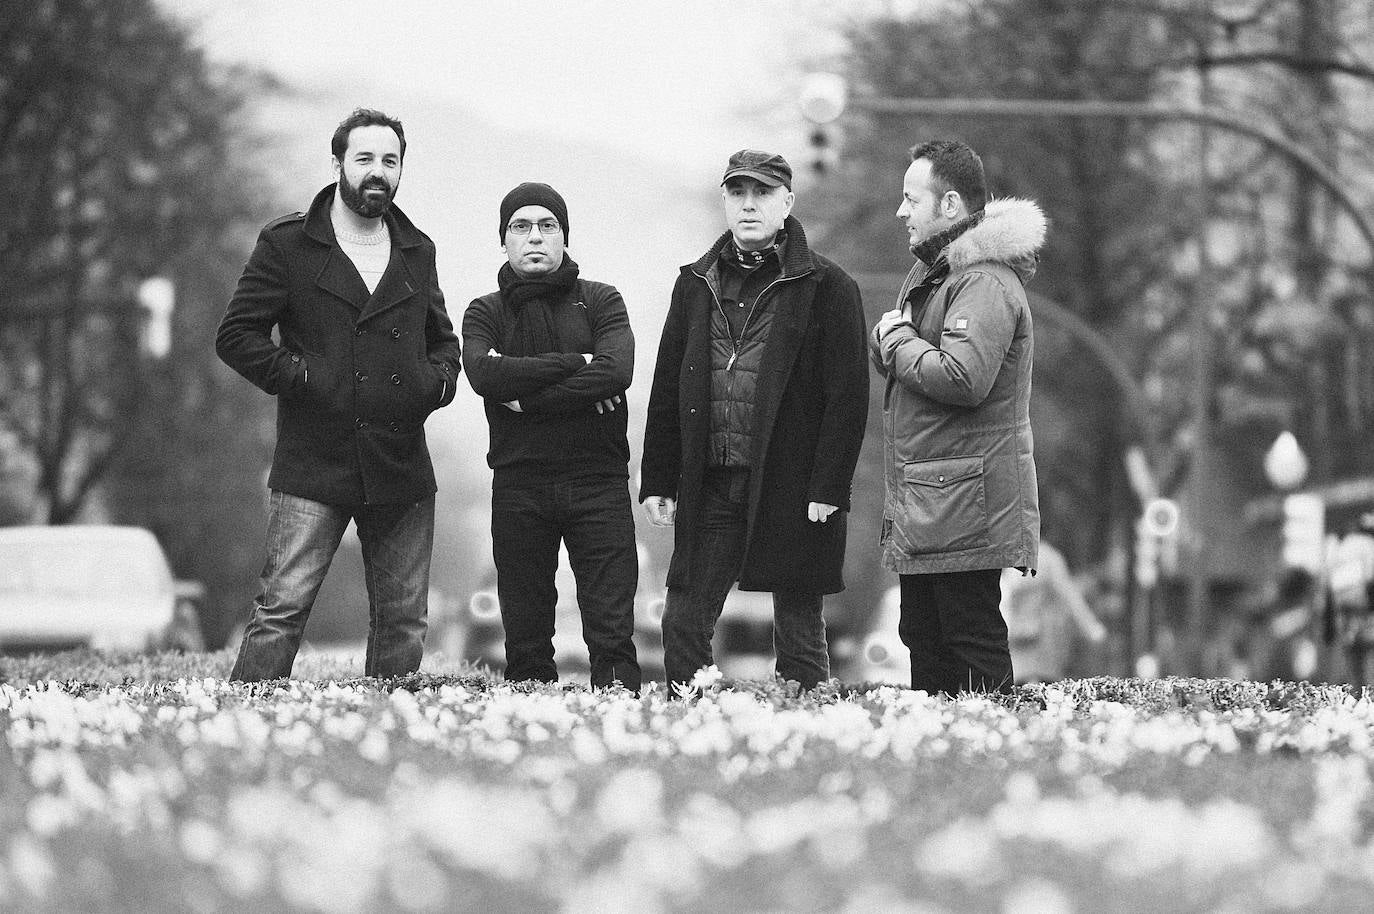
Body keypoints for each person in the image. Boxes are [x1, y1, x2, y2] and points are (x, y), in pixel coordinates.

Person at [216, 108, 461, 681]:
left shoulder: (417, 250)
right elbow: (237, 336)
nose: (378, 171)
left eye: (390, 161)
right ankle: (241, 721)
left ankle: (387, 725)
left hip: (399, 459)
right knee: (281, 610)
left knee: (404, 621)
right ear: (338, 164)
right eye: (365, 158)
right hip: (314, 456)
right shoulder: (288, 243)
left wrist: (434, 385)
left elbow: (443, 343)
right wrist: (305, 378)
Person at [640, 149, 869, 691]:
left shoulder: (829, 286)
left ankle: (806, 723)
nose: (748, 205)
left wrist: (829, 486)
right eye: (737, 192)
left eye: (762, 193)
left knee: (799, 631)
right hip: (712, 483)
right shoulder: (693, 284)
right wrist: (658, 479)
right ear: (725, 201)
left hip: (794, 485)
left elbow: (847, 397)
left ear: (787, 203)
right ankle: (691, 722)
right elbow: (668, 386)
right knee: (682, 620)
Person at [870, 138, 1046, 695]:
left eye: (911, 199)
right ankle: (951, 745)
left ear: (949, 205)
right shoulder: (940, 274)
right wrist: (892, 341)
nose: (901, 211)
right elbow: (916, 360)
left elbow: (963, 377)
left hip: (965, 502)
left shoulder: (983, 280)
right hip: (939, 498)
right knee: (927, 636)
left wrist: (895, 339)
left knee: (969, 639)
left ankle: (996, 743)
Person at [462, 182, 641, 692]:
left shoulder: (601, 300)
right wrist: (578, 365)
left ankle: (623, 714)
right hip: (519, 484)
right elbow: (484, 375)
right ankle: (530, 718)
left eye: (548, 225)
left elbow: (616, 371)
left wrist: (527, 399)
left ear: (565, 235)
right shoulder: (485, 312)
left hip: (598, 482)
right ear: (504, 240)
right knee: (525, 638)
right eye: (521, 226)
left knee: (612, 632)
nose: (535, 236)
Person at [999, 542, 1106, 683]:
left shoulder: (1044, 556)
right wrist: (1091, 628)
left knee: (1033, 684)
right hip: (1019, 640)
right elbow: (1068, 595)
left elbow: (1068, 595)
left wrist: (1090, 627)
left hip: (1037, 640)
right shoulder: (1042, 555)